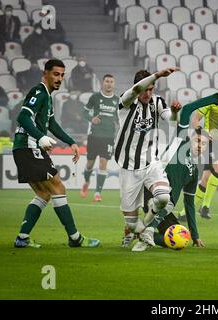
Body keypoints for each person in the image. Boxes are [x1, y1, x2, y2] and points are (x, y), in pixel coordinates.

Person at [12, 59, 100, 248]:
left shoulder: (48, 97)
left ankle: (22, 238)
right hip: (29, 147)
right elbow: (23, 116)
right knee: (58, 188)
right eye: (55, 74)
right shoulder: (39, 92)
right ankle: (75, 238)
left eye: (62, 75)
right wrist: (40, 137)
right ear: (45, 74)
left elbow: (51, 124)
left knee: (44, 193)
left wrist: (70, 142)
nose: (59, 78)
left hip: (24, 148)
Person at [131, 92, 218, 252]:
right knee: (166, 206)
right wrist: (215, 99)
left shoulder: (194, 172)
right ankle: (146, 229)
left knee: (180, 239)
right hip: (151, 194)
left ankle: (142, 232)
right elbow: (188, 109)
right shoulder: (180, 144)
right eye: (197, 140)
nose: (200, 145)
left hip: (165, 207)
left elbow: (189, 205)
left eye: (204, 143)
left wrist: (195, 236)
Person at [115, 67, 181, 249]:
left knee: (163, 198)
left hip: (152, 162)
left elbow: (173, 121)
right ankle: (135, 229)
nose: (148, 93)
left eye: (151, 89)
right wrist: (158, 74)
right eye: (145, 89)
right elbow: (136, 90)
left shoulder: (157, 101)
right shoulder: (126, 101)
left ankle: (145, 230)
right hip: (129, 167)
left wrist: (175, 111)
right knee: (131, 222)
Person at [179, 74, 218, 220]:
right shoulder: (211, 102)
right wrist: (202, 133)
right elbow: (195, 119)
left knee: (206, 178)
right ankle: (205, 206)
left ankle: (184, 213)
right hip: (209, 141)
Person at [80, 74, 119, 202]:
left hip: (108, 137)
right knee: (90, 163)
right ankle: (86, 182)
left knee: (103, 163)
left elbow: (118, 119)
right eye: (107, 81)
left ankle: (97, 193)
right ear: (103, 83)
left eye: (111, 82)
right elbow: (84, 112)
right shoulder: (95, 97)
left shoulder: (117, 100)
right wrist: (92, 119)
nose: (109, 84)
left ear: (114, 84)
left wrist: (119, 128)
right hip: (94, 135)